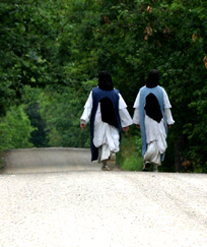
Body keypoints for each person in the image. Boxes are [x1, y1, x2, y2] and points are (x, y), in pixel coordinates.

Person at [80, 71, 133, 171]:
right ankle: (112, 153)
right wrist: (125, 123)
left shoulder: (95, 92)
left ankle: (105, 163)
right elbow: (122, 108)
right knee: (113, 137)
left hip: (98, 120)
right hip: (113, 120)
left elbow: (88, 107)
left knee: (101, 140)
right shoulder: (115, 93)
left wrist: (84, 120)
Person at [133, 69, 175, 172]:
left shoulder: (142, 91)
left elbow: (138, 107)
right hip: (159, 120)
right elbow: (166, 107)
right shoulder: (161, 90)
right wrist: (169, 121)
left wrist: (137, 121)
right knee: (158, 141)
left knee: (150, 140)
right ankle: (153, 162)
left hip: (147, 120)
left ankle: (147, 160)